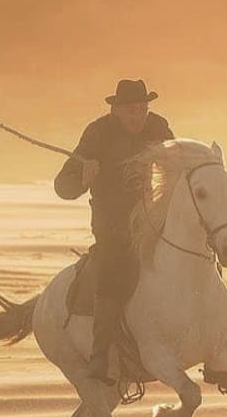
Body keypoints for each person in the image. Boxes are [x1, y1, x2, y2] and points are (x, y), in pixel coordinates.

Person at [53, 79, 174, 383]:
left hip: (150, 218)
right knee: (115, 266)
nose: (139, 117)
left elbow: (178, 163)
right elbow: (62, 186)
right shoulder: (98, 133)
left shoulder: (157, 127)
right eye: (132, 111)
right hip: (112, 223)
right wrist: (84, 176)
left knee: (200, 250)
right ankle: (100, 354)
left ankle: (215, 353)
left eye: (143, 110)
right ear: (117, 111)